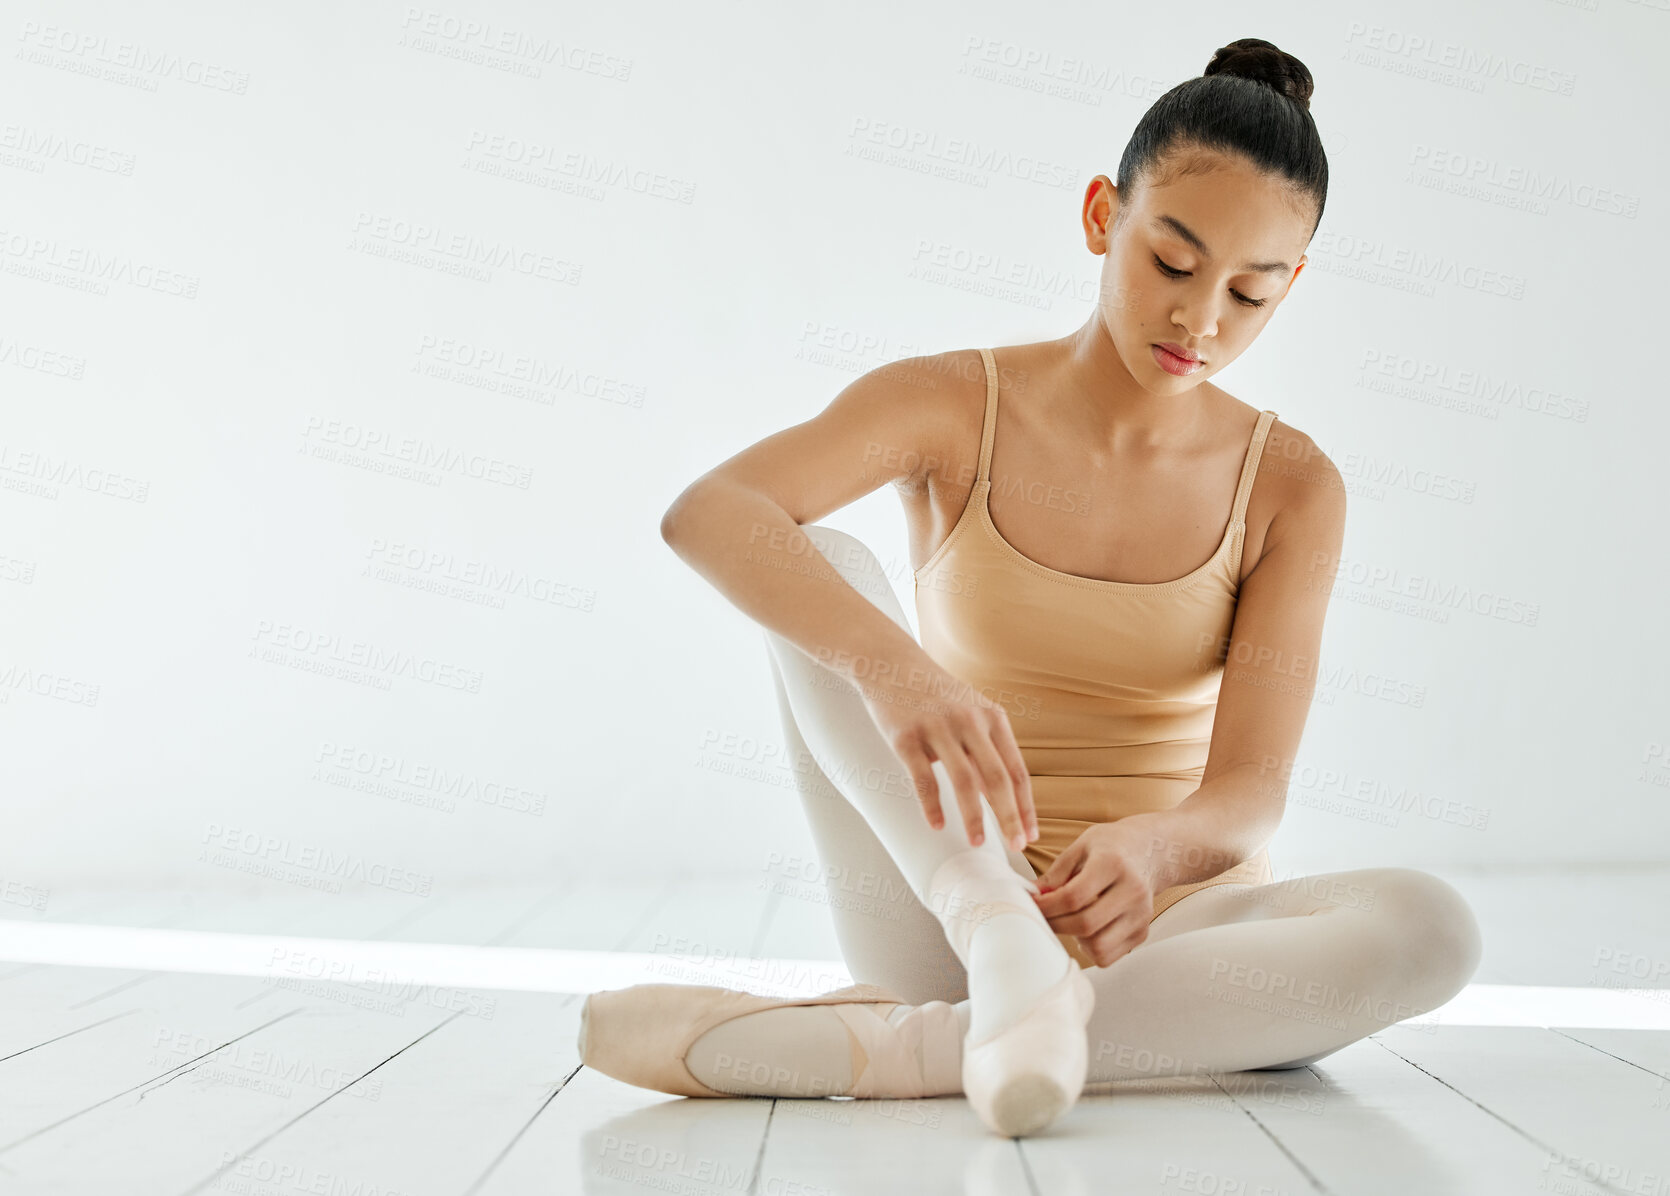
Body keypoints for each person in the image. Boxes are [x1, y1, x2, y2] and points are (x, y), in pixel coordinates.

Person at [576, 37, 1483, 1138]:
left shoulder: (1292, 484)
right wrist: (900, 672)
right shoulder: (952, 402)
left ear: (1289, 286)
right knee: (823, 559)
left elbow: (1248, 790)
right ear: (1103, 216)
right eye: (1172, 262)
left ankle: (921, 1044)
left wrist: (1151, 849)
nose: (1200, 321)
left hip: (1165, 927)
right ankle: (1001, 948)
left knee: (1431, 925)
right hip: (946, 896)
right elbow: (710, 512)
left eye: (1248, 292)